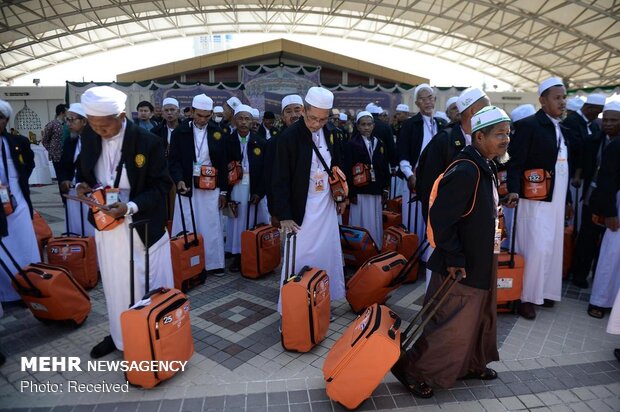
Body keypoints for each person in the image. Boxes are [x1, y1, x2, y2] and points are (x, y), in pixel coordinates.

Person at [391, 106, 510, 398]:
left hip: (481, 259)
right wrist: (456, 257)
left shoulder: (485, 165)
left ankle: (471, 363)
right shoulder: (466, 170)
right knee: (451, 325)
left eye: (508, 133)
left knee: (480, 317)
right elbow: (441, 219)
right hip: (461, 266)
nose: (506, 139)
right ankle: (414, 371)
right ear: (479, 136)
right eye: (499, 134)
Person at [76, 86, 173, 358]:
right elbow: (83, 171)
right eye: (94, 126)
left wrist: (129, 206)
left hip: (140, 228)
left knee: (143, 285)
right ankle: (120, 336)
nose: (100, 131)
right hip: (107, 228)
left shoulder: (147, 141)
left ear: (121, 116)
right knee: (114, 284)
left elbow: (161, 186)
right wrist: (81, 185)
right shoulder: (90, 136)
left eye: (105, 126)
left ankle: (150, 338)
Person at [272, 87, 346, 314]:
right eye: (313, 118)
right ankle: (293, 308)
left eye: (323, 120)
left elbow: (338, 167)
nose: (317, 124)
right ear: (303, 111)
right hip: (300, 207)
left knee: (327, 253)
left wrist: (342, 196)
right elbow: (279, 178)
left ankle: (321, 301)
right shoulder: (288, 137)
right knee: (298, 257)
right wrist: (284, 215)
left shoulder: (332, 132)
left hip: (325, 204)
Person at [505, 77, 572, 320]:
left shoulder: (560, 127)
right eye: (557, 98)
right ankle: (526, 297)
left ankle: (545, 291)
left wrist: (567, 201)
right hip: (535, 200)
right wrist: (513, 190)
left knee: (552, 246)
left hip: (556, 199)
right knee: (536, 248)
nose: (562, 102)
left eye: (564, 97)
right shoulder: (530, 125)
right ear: (543, 100)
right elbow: (514, 162)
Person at [168, 94, 228, 276]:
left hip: (210, 185)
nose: (202, 120)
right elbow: (174, 160)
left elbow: (223, 163)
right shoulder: (180, 132)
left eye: (207, 116)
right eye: (199, 115)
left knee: (211, 224)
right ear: (192, 112)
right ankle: (186, 263)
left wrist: (224, 191)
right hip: (187, 184)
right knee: (187, 221)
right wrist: (178, 179)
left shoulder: (217, 131)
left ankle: (213, 264)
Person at [565, 94, 608, 288]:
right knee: (583, 231)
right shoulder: (574, 123)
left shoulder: (594, 128)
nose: (605, 122)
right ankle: (576, 271)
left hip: (603, 195)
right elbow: (580, 154)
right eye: (604, 117)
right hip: (582, 186)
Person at [397, 84, 448, 241]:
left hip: (437, 179)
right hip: (415, 178)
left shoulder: (441, 124)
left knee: (433, 219)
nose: (427, 102)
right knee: (414, 219)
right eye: (423, 99)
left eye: (430, 98)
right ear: (417, 103)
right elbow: (402, 153)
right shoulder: (410, 125)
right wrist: (410, 175)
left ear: (435, 100)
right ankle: (413, 255)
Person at [0, 99, 38, 305]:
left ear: (5, 120)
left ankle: (29, 286)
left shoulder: (17, 142)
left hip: (18, 200)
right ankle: (7, 293)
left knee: (25, 243)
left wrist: (18, 181)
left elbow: (29, 163)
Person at [586, 100, 620, 319]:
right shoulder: (615, 146)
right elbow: (607, 181)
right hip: (616, 207)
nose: (608, 124)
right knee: (610, 255)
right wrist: (610, 212)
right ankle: (599, 301)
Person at [225, 105, 268, 272]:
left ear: (252, 121)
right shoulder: (227, 141)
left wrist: (259, 192)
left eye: (247, 119)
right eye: (240, 118)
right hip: (235, 187)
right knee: (236, 221)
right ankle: (237, 254)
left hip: (254, 187)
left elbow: (266, 170)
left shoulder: (261, 142)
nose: (243, 122)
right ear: (235, 120)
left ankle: (253, 253)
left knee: (253, 221)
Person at [343, 111, 390, 248]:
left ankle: (375, 246)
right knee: (360, 218)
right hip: (359, 190)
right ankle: (359, 247)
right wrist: (350, 193)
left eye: (369, 124)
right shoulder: (351, 144)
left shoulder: (379, 143)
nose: (366, 127)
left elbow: (383, 165)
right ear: (357, 126)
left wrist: (386, 186)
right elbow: (347, 169)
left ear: (373, 126)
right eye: (363, 124)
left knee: (374, 218)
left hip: (376, 188)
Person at [264, 94, 303, 227]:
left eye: (297, 110)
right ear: (282, 117)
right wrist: (276, 212)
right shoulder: (273, 143)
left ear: (304, 112)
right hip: (287, 209)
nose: (294, 115)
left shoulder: (315, 139)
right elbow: (270, 180)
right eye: (288, 111)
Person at [58, 103, 94, 236]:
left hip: (90, 192)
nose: (68, 123)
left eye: (72, 120)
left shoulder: (95, 141)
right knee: (75, 228)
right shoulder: (69, 141)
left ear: (84, 121)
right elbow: (63, 165)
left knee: (91, 228)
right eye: (67, 119)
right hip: (72, 192)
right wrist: (64, 180)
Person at [42, 103, 67, 196]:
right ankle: (64, 199)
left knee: (67, 178)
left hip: (67, 156)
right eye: (66, 111)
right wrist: (52, 150)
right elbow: (45, 140)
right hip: (57, 157)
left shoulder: (67, 124)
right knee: (61, 178)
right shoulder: (52, 125)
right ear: (62, 113)